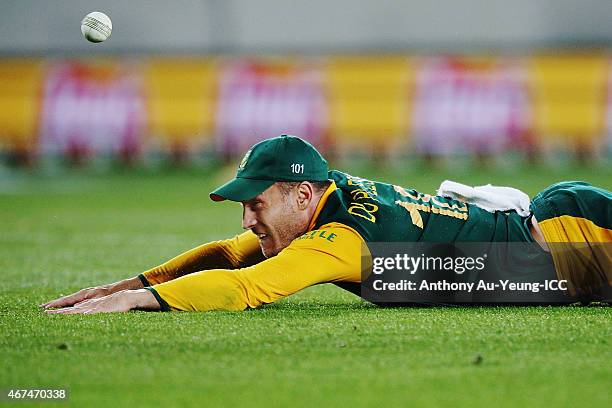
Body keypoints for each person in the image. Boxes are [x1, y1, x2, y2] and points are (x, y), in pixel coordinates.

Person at [41, 135, 612, 314]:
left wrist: (136, 305)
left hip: (567, 239)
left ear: (301, 195)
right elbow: (230, 253)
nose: (249, 220)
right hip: (543, 235)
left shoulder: (339, 239)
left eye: (257, 205)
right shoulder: (323, 200)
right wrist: (127, 285)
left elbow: (245, 288)